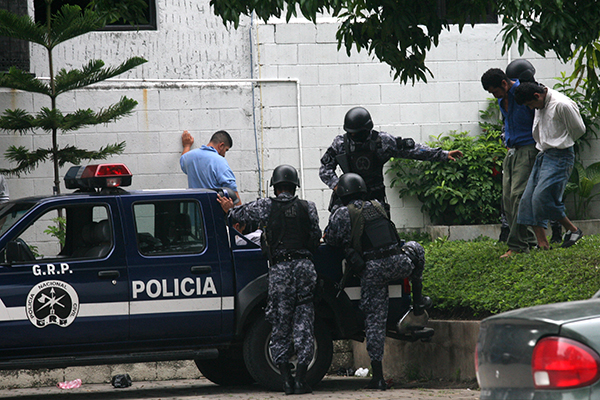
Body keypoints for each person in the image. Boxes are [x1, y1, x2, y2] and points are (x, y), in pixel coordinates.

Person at [323, 173, 428, 391]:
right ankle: (418, 301)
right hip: (399, 263)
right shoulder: (379, 205)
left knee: (374, 322)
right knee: (417, 248)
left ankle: (378, 377)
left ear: (342, 193)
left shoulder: (343, 213)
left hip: (373, 271)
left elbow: (331, 240)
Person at [224, 165, 321, 395]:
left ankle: (286, 380)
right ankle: (301, 379)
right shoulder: (309, 207)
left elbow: (237, 216)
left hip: (281, 271)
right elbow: (316, 237)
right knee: (304, 321)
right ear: (295, 186)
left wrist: (228, 208)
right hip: (305, 268)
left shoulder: (265, 206)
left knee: (280, 321)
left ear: (275, 187)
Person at [320, 106, 462, 214]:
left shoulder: (382, 141)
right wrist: (338, 186)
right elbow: (325, 168)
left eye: (356, 133)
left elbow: (412, 150)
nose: (353, 135)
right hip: (347, 199)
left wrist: (443, 154)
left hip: (374, 198)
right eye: (350, 133)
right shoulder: (340, 144)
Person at [514, 82, 586, 249]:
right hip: (544, 155)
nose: (531, 108)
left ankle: (573, 229)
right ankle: (543, 244)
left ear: (537, 96)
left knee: (541, 198)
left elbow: (579, 130)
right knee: (527, 201)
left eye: (531, 105)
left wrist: (560, 141)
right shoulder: (541, 103)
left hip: (561, 156)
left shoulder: (561, 104)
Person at [481, 65, 538, 258]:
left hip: (528, 149)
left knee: (518, 197)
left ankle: (517, 246)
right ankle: (529, 240)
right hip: (512, 151)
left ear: (504, 83)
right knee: (507, 200)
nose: (494, 95)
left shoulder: (523, 92)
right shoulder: (501, 101)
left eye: (495, 91)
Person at [180, 130, 241, 202]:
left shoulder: (189, 157)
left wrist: (187, 146)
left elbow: (183, 159)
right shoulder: (219, 161)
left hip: (197, 207)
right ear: (221, 145)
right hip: (214, 207)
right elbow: (232, 191)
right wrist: (239, 212)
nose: (224, 155)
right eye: (226, 150)